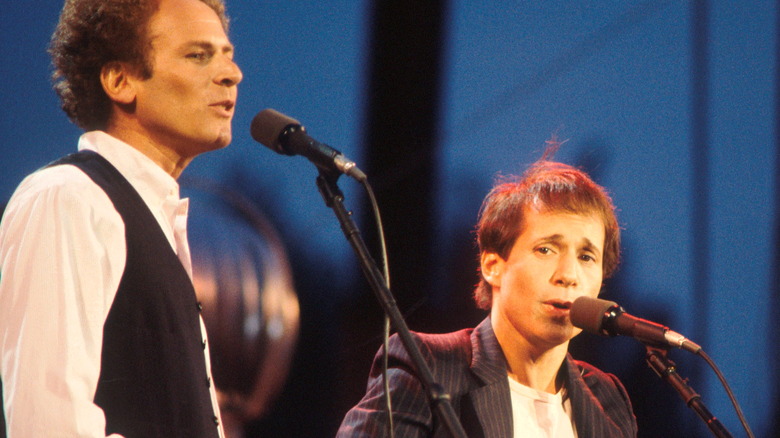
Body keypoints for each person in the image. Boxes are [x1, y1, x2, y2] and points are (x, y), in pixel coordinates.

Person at [0, 0, 242, 436]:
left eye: (227, 53)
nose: (231, 73)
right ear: (120, 80)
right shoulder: (69, 198)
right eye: (198, 55)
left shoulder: (153, 218)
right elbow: (50, 427)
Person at [338, 152, 638, 437]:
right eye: (545, 249)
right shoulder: (429, 366)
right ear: (492, 265)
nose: (569, 275)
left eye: (587, 257)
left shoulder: (608, 400)